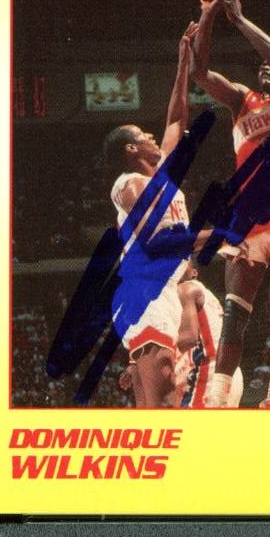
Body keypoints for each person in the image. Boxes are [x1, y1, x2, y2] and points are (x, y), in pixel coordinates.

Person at [190, 0, 270, 409]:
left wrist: (239, 20)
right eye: (260, 67)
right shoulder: (242, 101)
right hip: (248, 220)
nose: (265, 68)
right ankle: (216, 398)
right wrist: (209, 15)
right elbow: (200, 74)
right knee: (234, 315)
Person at [104, 21, 198, 408]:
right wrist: (216, 236)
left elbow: (176, 120)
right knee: (163, 400)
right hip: (145, 290)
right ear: (131, 149)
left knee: (165, 401)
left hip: (163, 290)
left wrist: (183, 62)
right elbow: (156, 243)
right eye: (144, 135)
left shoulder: (162, 179)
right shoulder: (129, 184)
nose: (153, 137)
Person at [175, 262, 244, 408]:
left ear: (194, 273)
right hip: (228, 370)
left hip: (209, 371)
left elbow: (188, 339)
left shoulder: (185, 288)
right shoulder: (205, 293)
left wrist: (146, 359)